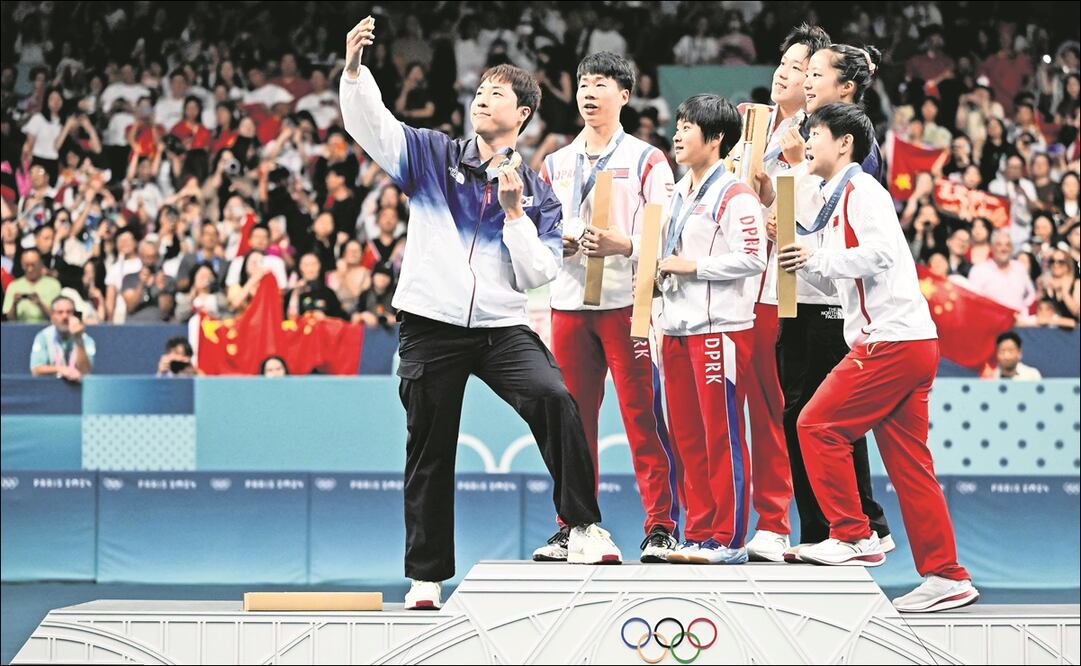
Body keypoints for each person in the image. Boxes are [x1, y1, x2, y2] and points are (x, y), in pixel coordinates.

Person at [340, 16, 616, 611]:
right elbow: (373, 127)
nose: (482, 98)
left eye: (497, 93)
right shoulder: (432, 155)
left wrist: (516, 214)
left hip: (499, 329)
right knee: (429, 449)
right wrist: (356, 73)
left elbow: (538, 274)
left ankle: (583, 526)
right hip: (430, 325)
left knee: (554, 398)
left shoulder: (538, 190)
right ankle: (426, 578)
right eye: (480, 90)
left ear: (522, 115)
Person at [778, 102, 978, 613]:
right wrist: (800, 259)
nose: (808, 142)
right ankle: (947, 575)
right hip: (907, 340)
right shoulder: (829, 198)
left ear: (844, 143)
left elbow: (883, 252)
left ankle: (853, 534)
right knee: (911, 466)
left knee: (815, 425)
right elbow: (832, 276)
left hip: (890, 340)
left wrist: (817, 256)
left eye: (815, 133)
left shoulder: (862, 189)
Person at [534, 51, 680, 564]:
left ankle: (661, 525)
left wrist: (627, 245)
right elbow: (540, 226)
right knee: (573, 421)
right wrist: (564, 242)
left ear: (624, 94)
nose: (589, 93)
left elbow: (665, 229)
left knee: (643, 416)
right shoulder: (554, 162)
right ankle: (573, 524)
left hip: (627, 304)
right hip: (570, 305)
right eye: (583, 84)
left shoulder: (647, 159)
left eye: (600, 83)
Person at [757, 40, 894, 564]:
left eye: (815, 72)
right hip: (799, 291)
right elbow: (802, 215)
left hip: (830, 300)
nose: (806, 81)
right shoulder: (814, 136)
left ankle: (847, 527)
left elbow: (834, 218)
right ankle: (837, 527)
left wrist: (793, 173)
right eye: (803, 71)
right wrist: (779, 210)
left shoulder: (854, 145)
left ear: (847, 88)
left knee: (819, 418)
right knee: (807, 415)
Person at [655, 93, 765, 564]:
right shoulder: (678, 193)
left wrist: (691, 266)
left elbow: (754, 258)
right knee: (685, 436)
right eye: (677, 124)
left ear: (716, 138)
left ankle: (728, 538)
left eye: (689, 126)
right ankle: (698, 532)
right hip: (676, 329)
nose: (678, 134)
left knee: (720, 434)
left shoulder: (735, 194)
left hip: (720, 330)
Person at [738, 22, 832, 563]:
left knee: (782, 411)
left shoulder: (816, 135)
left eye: (800, 67)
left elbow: (817, 214)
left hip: (789, 291)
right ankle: (752, 521)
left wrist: (784, 196)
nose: (785, 72)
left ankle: (780, 523)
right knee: (752, 408)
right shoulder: (757, 126)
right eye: (785, 62)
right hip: (739, 287)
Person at [29, 294, 95, 383]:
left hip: (77, 390)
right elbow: (36, 370)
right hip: (50, 389)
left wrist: (78, 339)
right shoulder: (43, 336)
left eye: (69, 312)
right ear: (52, 317)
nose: (65, 316)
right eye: (60, 312)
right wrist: (61, 369)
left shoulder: (86, 339)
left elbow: (86, 372)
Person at [967, 231, 1037, 313]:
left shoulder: (1019, 268)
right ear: (991, 248)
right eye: (999, 245)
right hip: (992, 322)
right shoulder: (979, 270)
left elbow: (1031, 295)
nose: (1004, 249)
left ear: (1012, 248)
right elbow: (973, 300)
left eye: (1008, 245)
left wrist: (1024, 310)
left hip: (1019, 322)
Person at [4, 249, 62, 323]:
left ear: (41, 264)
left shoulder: (54, 284)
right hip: (20, 329)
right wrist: (14, 304)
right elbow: (9, 319)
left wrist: (40, 304)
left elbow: (58, 317)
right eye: (26, 265)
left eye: (33, 265)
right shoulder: (13, 286)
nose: (30, 269)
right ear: (22, 265)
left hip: (46, 328)